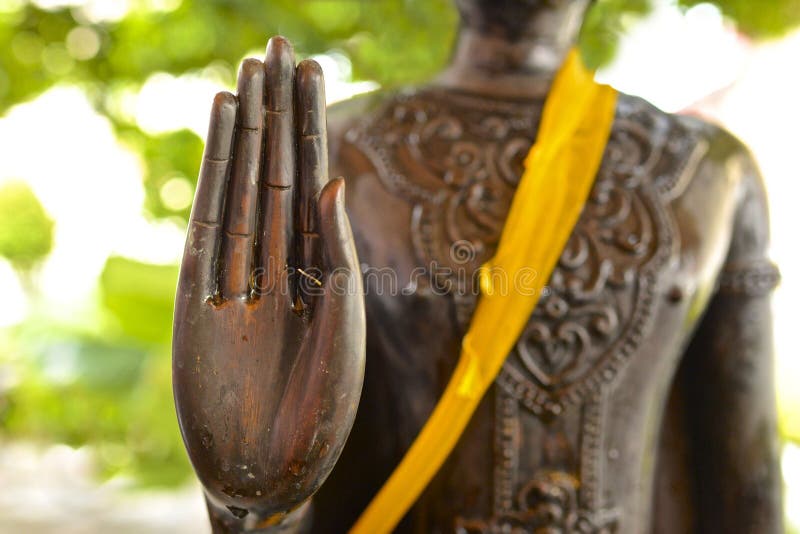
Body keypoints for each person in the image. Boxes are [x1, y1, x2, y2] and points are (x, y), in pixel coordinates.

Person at [172, 0, 783, 532]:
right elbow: (278, 489)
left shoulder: (707, 168)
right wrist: (252, 500)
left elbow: (744, 485)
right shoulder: (341, 151)